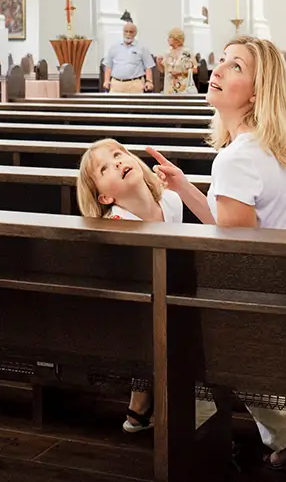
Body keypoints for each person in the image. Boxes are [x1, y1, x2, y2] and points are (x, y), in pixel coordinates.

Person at [148, 35, 286, 471]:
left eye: (235, 66)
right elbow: (234, 227)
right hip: (275, 282)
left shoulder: (237, 158)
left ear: (259, 92)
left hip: (250, 295)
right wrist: (183, 186)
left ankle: (198, 441)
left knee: (165, 322)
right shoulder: (267, 147)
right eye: (221, 61)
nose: (218, 70)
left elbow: (234, 251)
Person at [76, 138, 183, 434]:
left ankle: (142, 406)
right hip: (136, 319)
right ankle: (166, 411)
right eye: (105, 168)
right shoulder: (117, 228)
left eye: (118, 154)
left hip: (171, 303)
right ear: (104, 198)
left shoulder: (172, 201)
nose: (118, 162)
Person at [102, 23, 155, 94]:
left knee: (136, 105)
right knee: (115, 104)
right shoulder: (114, 47)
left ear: (135, 33)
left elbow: (148, 67)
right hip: (116, 84)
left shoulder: (142, 48)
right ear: (123, 32)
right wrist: (106, 80)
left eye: (131, 32)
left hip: (135, 85)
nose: (128, 34)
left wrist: (149, 81)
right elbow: (108, 66)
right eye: (126, 31)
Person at [157, 27, 198, 95]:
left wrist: (180, 73)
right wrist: (158, 62)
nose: (168, 39)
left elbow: (195, 70)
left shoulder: (187, 53)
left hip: (183, 87)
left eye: (170, 37)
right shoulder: (167, 53)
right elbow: (163, 71)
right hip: (169, 87)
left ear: (176, 39)